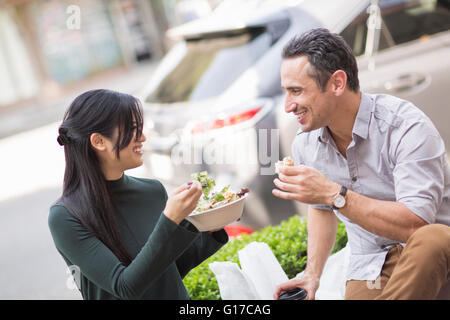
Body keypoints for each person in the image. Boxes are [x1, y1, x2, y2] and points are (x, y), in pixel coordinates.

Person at [272, 28, 450, 300]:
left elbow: (416, 225)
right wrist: (312, 274)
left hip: (433, 257)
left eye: (296, 91)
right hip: (370, 266)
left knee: (435, 237)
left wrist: (335, 195)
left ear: (337, 83)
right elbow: (321, 209)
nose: (288, 106)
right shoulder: (305, 142)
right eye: (286, 92)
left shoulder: (406, 126)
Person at [48, 89, 228, 300]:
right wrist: (170, 220)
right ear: (99, 142)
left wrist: (211, 226)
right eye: (132, 130)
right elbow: (125, 287)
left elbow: (168, 269)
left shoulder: (152, 190)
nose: (142, 137)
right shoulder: (65, 217)